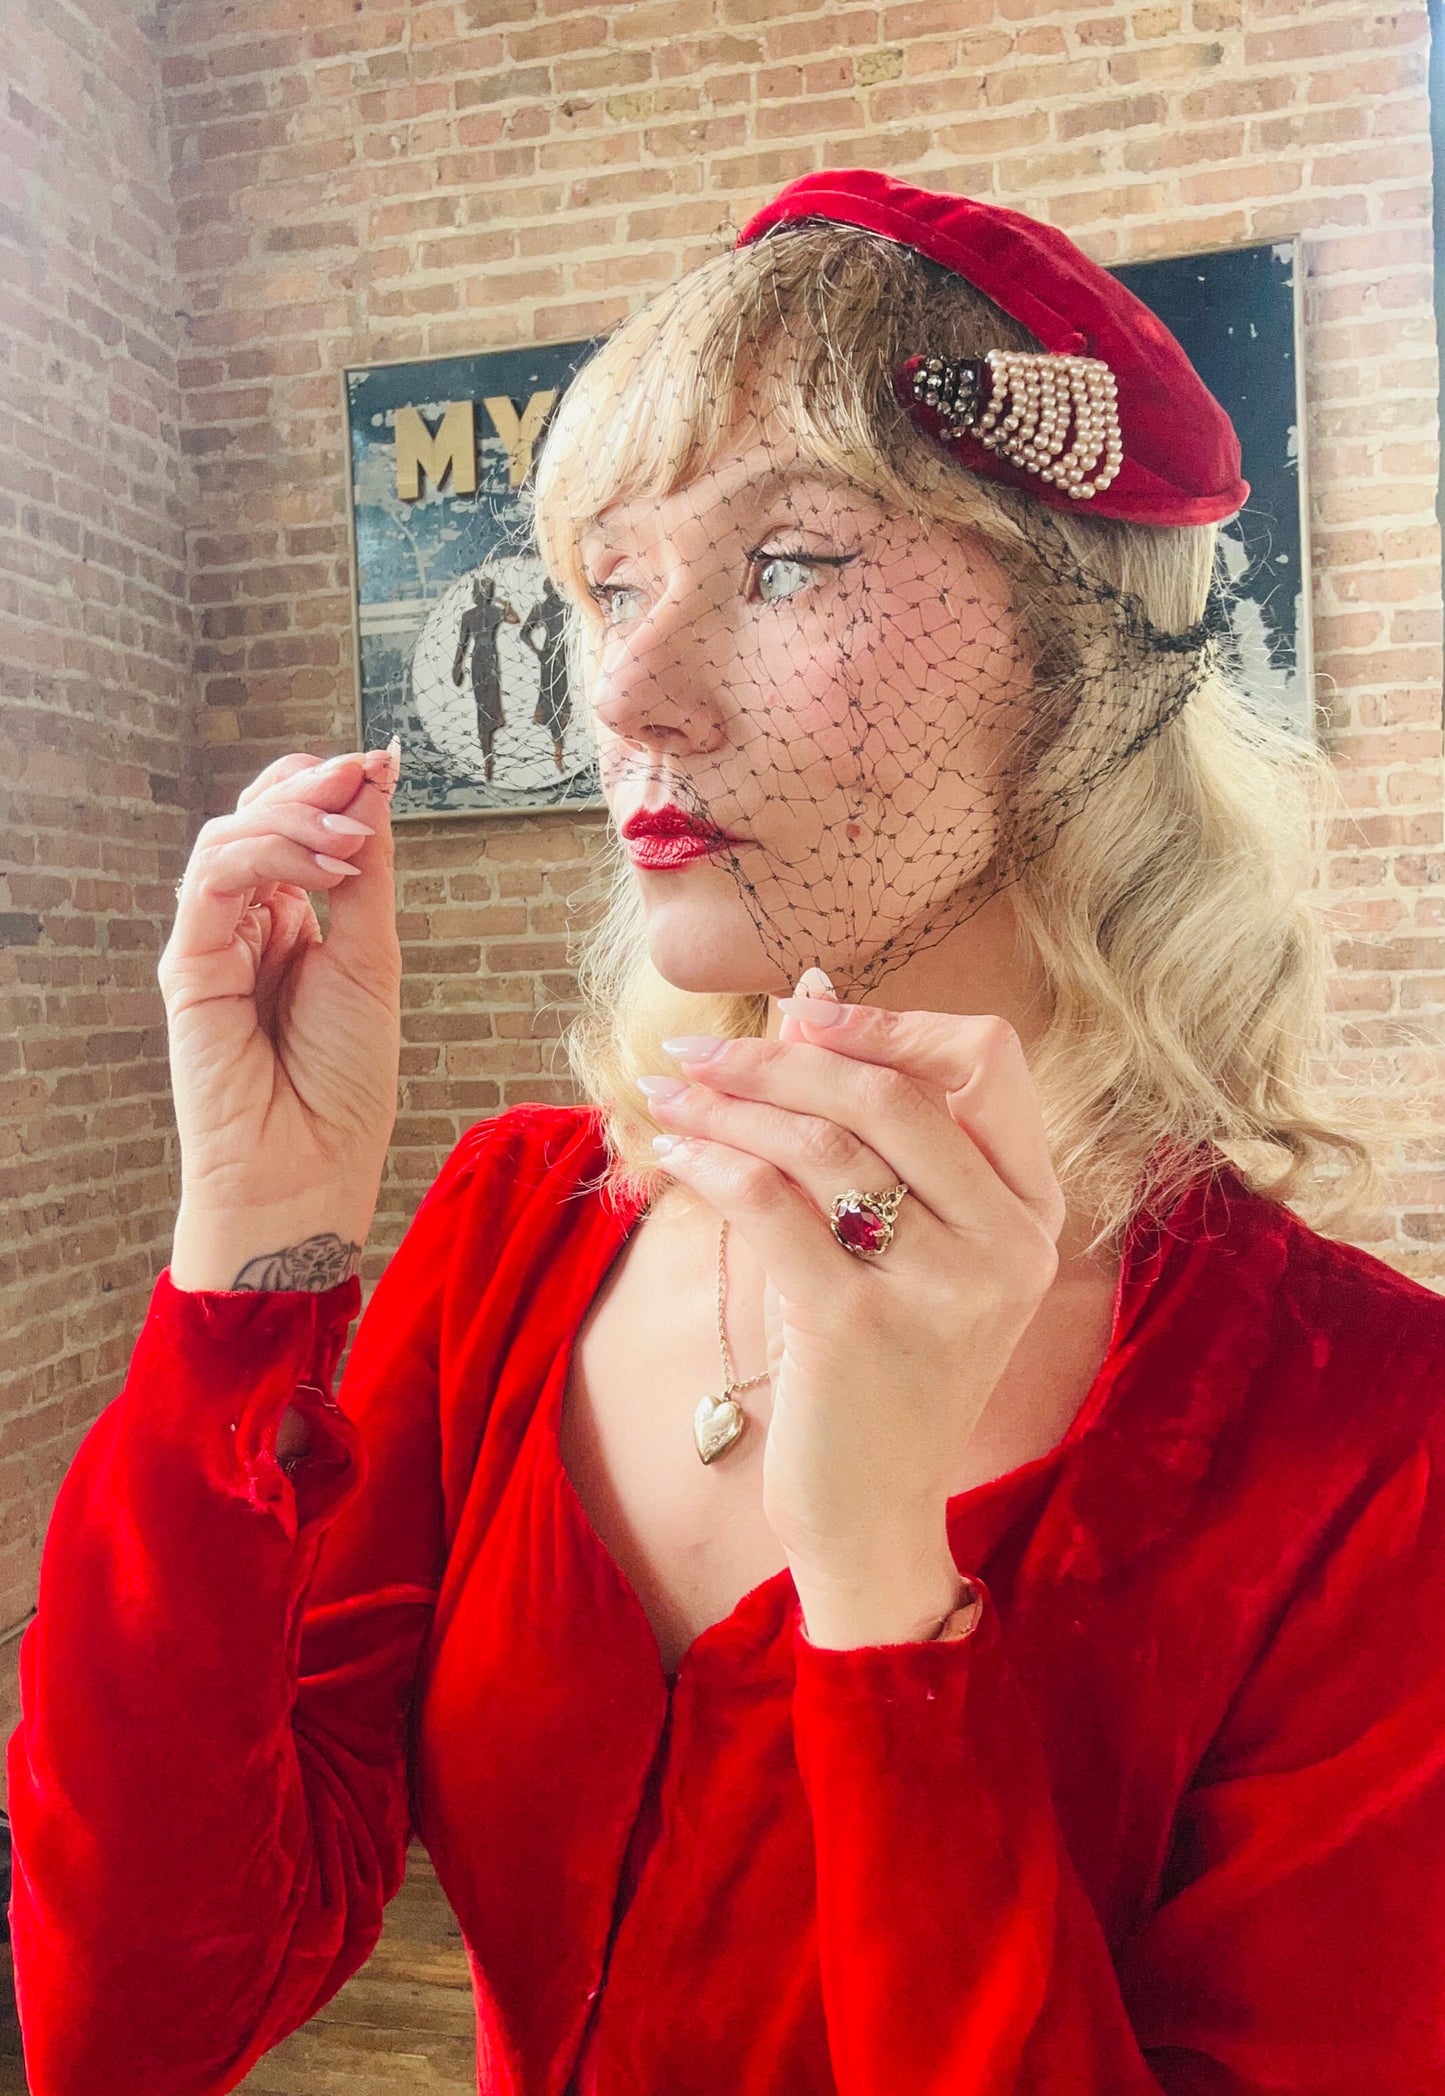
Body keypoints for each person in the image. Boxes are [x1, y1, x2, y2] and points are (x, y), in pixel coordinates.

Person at [9, 170, 1445, 2096]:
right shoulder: (523, 1229)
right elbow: (131, 2018)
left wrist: (881, 1592)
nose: (623, 689)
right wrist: (249, 1247)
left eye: (788, 562)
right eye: (610, 584)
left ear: (1086, 657)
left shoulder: (1373, 1445)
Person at [452, 572, 519, 784]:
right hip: (487, 659)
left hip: (483, 659)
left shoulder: (473, 615)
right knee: (485, 706)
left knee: (486, 705)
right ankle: (487, 756)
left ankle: (487, 754)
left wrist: (457, 665)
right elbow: (513, 618)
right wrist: (504, 604)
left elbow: (462, 645)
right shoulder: (489, 613)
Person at [521, 577, 573, 771]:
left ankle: (558, 752)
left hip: (555, 655)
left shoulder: (549, 608)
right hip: (557, 656)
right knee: (557, 701)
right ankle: (558, 752)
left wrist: (538, 652)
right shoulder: (563, 608)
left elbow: (524, 633)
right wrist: (537, 652)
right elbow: (524, 633)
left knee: (557, 700)